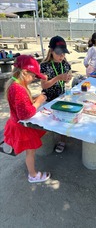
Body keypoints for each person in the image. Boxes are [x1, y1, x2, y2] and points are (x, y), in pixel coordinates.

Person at [4, 55, 51, 183]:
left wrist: (32, 99)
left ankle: (32, 173)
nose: (35, 78)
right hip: (22, 126)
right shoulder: (19, 88)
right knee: (30, 152)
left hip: (17, 123)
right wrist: (39, 102)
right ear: (25, 72)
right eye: (34, 75)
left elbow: (20, 104)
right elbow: (24, 114)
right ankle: (33, 175)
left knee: (30, 151)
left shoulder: (15, 84)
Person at [40, 35, 72, 153]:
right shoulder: (45, 65)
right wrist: (58, 78)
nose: (61, 56)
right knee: (48, 122)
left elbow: (67, 77)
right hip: (47, 99)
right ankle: (47, 140)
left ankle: (62, 140)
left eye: (63, 53)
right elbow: (44, 85)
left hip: (61, 97)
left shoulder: (65, 63)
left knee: (63, 120)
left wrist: (67, 78)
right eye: (59, 53)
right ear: (51, 51)